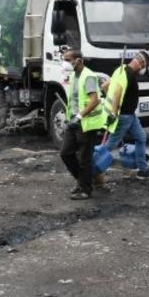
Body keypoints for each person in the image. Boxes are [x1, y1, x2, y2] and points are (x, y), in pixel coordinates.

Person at [60, 49, 105, 200]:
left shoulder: (89, 76)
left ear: (78, 60)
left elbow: (94, 100)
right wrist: (70, 118)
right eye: (64, 59)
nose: (65, 62)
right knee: (65, 153)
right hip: (73, 122)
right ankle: (83, 181)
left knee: (84, 158)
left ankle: (85, 189)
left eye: (68, 59)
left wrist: (79, 116)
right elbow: (74, 100)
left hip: (86, 123)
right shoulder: (74, 75)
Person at [102, 49, 149, 180]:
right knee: (112, 142)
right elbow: (117, 92)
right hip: (124, 116)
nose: (144, 70)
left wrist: (111, 102)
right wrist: (114, 111)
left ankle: (143, 170)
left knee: (141, 137)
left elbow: (106, 86)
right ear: (141, 63)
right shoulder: (128, 74)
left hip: (130, 115)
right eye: (145, 66)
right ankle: (94, 164)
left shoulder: (121, 69)